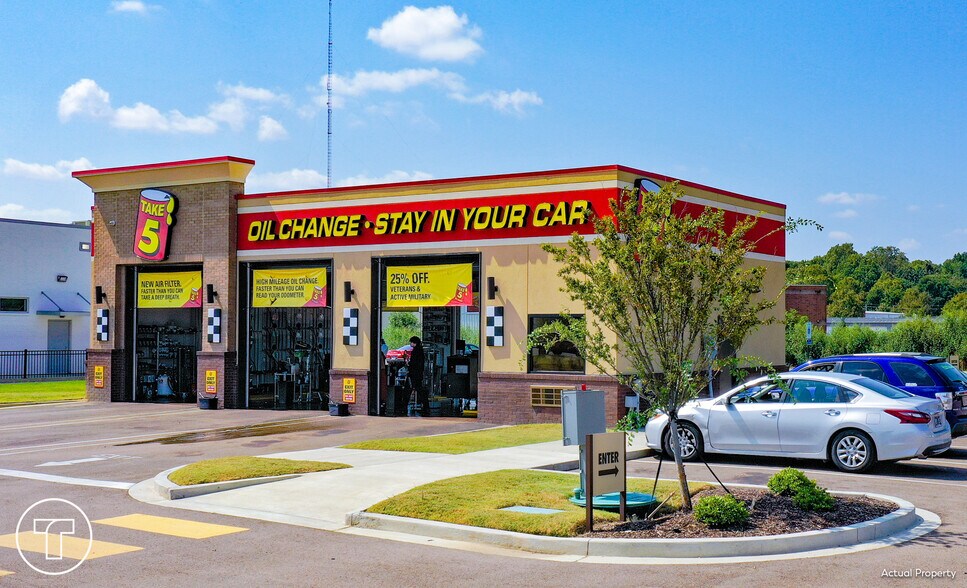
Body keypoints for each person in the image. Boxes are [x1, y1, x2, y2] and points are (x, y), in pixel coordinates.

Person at [407, 336, 426, 415]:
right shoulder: (420, 350)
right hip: (419, 373)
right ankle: (424, 404)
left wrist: (409, 364)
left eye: (411, 342)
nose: (410, 343)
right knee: (419, 389)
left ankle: (405, 404)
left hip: (414, 373)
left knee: (412, 388)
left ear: (414, 343)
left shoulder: (415, 351)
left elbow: (414, 362)